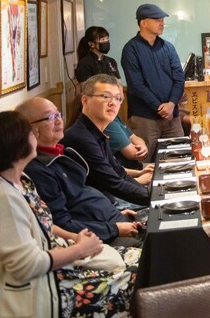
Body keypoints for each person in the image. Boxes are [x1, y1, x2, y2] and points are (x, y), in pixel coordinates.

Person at [0, 111, 139, 317]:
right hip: (40, 298)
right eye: (29, 133)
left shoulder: (17, 179)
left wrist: (76, 238)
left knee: (145, 260)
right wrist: (79, 249)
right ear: (16, 146)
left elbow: (44, 223)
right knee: (140, 279)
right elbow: (26, 266)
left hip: (56, 272)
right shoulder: (2, 200)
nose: (34, 136)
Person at [17, 97, 144, 247]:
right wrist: (113, 228)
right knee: (158, 245)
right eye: (50, 117)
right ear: (30, 129)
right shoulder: (37, 170)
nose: (59, 121)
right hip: (100, 238)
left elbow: (84, 196)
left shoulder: (63, 152)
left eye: (58, 114)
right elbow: (62, 224)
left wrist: (113, 213)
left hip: (111, 218)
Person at [61, 74, 152, 207]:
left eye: (118, 98)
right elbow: (114, 183)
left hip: (106, 201)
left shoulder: (96, 132)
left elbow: (120, 173)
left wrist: (152, 195)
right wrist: (155, 199)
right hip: (95, 208)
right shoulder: (80, 137)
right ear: (85, 100)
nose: (113, 103)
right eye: (105, 96)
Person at [75, 25, 149, 170]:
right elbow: (86, 89)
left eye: (107, 39)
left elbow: (118, 86)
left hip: (132, 168)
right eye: (102, 39)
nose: (106, 42)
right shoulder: (85, 63)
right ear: (91, 44)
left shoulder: (111, 61)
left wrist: (143, 146)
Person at [121, 3, 185, 159]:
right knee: (145, 161)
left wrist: (171, 104)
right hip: (145, 117)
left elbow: (179, 78)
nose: (162, 23)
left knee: (178, 159)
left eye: (162, 20)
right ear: (143, 23)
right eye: (157, 20)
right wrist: (160, 108)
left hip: (172, 116)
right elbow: (136, 85)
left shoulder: (168, 47)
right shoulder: (131, 49)